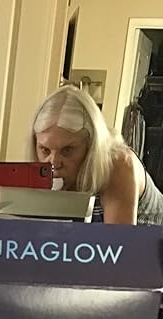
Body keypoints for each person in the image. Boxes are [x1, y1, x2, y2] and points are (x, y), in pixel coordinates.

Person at [29, 85, 163, 225]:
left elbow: (117, 238)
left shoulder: (118, 165)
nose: (53, 163)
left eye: (67, 150)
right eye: (45, 150)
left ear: (91, 146)